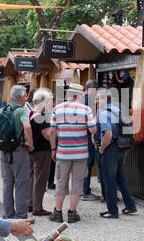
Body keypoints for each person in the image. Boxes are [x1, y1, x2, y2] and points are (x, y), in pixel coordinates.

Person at [0, 85, 33, 219]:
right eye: (25, 95)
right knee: (21, 183)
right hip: (19, 150)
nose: (26, 97)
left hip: (4, 151)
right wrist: (30, 143)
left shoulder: (2, 110)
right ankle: (21, 215)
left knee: (7, 183)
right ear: (21, 97)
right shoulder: (21, 111)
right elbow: (27, 126)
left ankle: (8, 214)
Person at [49, 83, 97, 223]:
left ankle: (58, 213)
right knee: (77, 183)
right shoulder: (86, 109)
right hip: (81, 154)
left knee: (61, 183)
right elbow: (93, 130)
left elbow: (52, 131)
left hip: (63, 153)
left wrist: (53, 148)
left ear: (68, 94)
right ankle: (72, 213)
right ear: (80, 95)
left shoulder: (57, 109)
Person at [96, 90, 137, 219]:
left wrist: (102, 148)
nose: (96, 102)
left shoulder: (103, 114)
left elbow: (107, 135)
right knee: (120, 177)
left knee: (109, 179)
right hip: (122, 146)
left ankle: (112, 211)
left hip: (110, 148)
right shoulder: (118, 109)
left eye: (97, 99)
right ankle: (130, 206)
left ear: (103, 99)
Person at [29, 89, 52, 216]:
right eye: (48, 101)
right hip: (42, 151)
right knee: (40, 179)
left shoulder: (30, 113)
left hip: (31, 150)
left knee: (31, 177)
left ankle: (30, 203)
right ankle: (37, 207)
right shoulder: (41, 117)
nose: (49, 103)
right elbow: (48, 135)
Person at [81, 79, 99, 201]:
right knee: (88, 163)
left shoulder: (81, 99)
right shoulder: (89, 101)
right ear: (91, 89)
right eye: (96, 90)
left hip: (81, 136)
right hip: (88, 136)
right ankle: (85, 191)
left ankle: (83, 189)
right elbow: (91, 120)